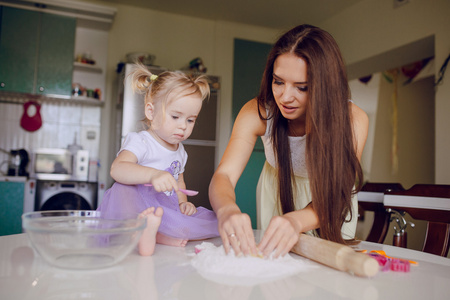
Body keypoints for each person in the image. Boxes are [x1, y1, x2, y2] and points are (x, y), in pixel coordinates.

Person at [209, 24, 369, 259]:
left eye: (301, 87)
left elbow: (337, 193)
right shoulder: (258, 112)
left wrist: (296, 220)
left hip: (330, 205)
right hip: (278, 194)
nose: (285, 97)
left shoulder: (353, 120)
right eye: (278, 81)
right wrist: (226, 210)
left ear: (325, 87)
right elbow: (223, 176)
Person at [97, 63, 219, 256]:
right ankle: (144, 231)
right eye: (175, 116)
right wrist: (153, 175)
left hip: (163, 209)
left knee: (210, 222)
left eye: (190, 120)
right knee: (123, 188)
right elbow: (117, 169)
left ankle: (155, 233)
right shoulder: (141, 141)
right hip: (134, 209)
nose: (183, 126)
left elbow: (179, 181)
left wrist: (182, 204)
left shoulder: (180, 151)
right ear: (150, 112)